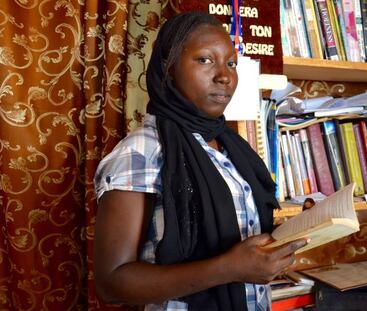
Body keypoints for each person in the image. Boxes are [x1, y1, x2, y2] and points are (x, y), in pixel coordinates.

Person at [93, 11, 308, 311]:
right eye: (205, 60)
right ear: (168, 71)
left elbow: (238, 234)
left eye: (231, 63)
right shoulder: (141, 152)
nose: (224, 75)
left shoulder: (232, 145)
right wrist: (228, 268)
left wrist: (298, 231)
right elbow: (111, 283)